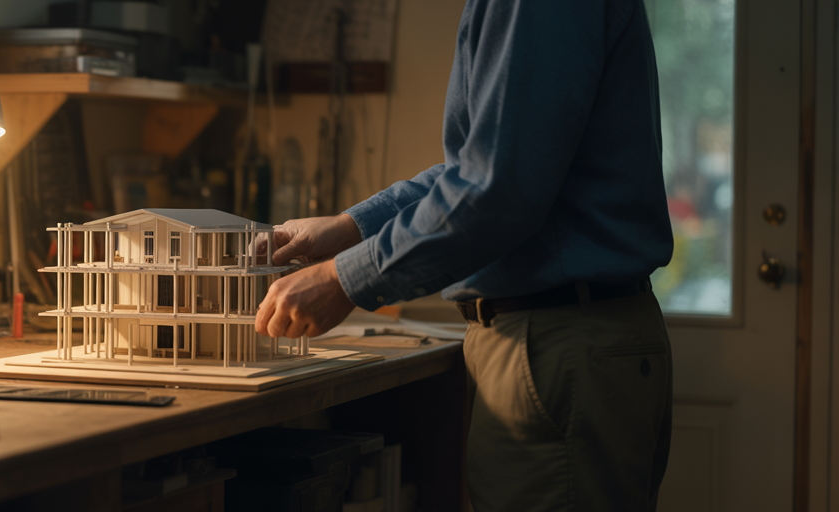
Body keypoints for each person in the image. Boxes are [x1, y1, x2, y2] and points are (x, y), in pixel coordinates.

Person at [253, 0, 674, 510]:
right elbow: (483, 169)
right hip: (568, 340)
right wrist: (349, 229)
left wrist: (343, 280)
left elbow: (496, 189)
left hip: (560, 344)